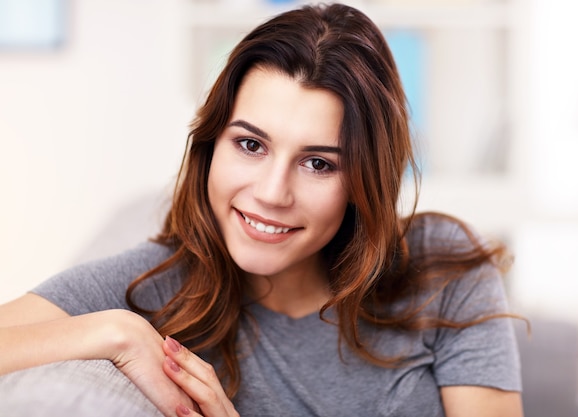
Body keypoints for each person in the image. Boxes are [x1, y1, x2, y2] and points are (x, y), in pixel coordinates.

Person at [0, 3, 523, 416]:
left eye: (319, 163)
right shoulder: (151, 285)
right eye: (251, 145)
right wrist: (112, 331)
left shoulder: (444, 270)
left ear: (366, 179)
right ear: (210, 146)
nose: (273, 192)